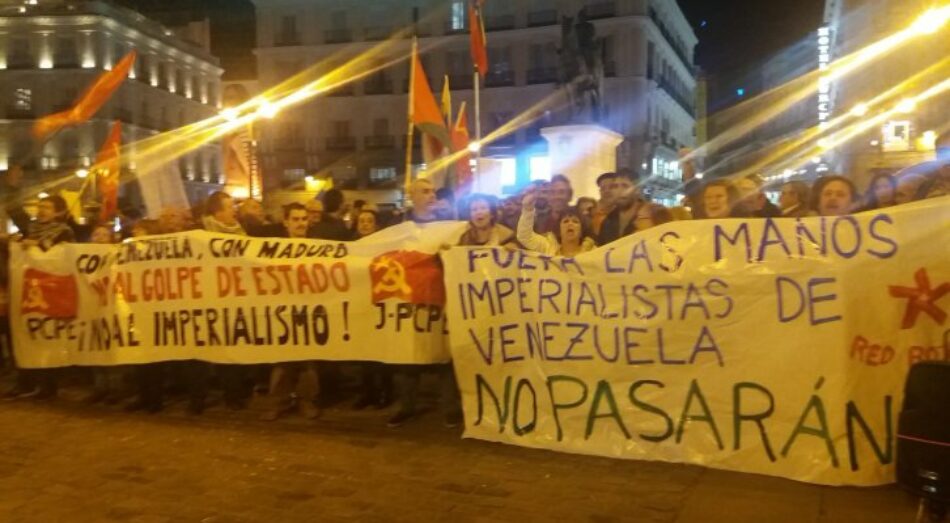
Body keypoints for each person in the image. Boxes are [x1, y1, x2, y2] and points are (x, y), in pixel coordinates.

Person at [387, 178, 460, 428]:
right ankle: (406, 405)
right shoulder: (400, 227)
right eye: (425, 191)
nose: (431, 196)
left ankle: (450, 407)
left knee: (444, 353)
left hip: (441, 295)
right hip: (410, 298)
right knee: (407, 354)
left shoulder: (448, 225)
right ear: (413, 196)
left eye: (432, 191)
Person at [3, 193, 75, 400]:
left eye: (47, 207)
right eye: (40, 207)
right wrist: (15, 244)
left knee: (47, 339)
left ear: (59, 212)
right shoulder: (30, 230)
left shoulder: (64, 232)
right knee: (25, 337)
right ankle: (25, 382)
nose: (41, 211)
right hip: (28, 292)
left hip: (50, 292)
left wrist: (36, 247)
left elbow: (61, 259)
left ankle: (48, 385)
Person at [260, 203, 322, 421]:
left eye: (304, 219)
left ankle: (307, 401)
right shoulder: (273, 249)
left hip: (309, 311)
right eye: (295, 219)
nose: (300, 223)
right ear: (285, 222)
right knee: (281, 360)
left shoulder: (319, 249)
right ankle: (279, 401)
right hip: (282, 312)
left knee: (307, 362)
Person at [351, 209, 394, 410]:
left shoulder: (385, 247)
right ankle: (367, 392)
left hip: (380, 303)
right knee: (363, 353)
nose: (365, 224)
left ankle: (386, 391)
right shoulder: (348, 248)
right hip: (358, 305)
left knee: (381, 352)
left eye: (369, 221)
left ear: (376, 225)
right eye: (362, 221)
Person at [85, 224, 128, 405]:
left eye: (105, 234)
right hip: (92, 309)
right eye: (96, 234)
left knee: (111, 349)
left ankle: (116, 389)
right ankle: (100, 388)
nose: (100, 237)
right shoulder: (83, 257)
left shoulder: (117, 255)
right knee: (95, 348)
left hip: (112, 308)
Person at [518, 185, 596, 256]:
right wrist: (528, 209)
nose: (570, 224)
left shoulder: (593, 252)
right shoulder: (548, 247)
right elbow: (525, 237)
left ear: (581, 231)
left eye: (575, 221)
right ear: (559, 230)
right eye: (565, 221)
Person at [597, 170, 642, 245]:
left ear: (637, 190)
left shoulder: (652, 215)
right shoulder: (607, 222)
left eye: (625, 186)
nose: (619, 191)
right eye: (615, 186)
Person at [590, 171, 617, 237]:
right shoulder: (594, 215)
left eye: (611, 187)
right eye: (603, 188)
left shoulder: (626, 214)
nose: (606, 191)